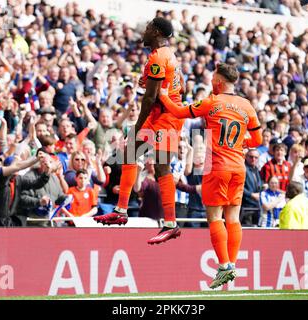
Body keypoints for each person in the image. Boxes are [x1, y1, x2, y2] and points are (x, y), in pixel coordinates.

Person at [159, 62, 262, 288]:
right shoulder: (247, 106)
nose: (212, 82)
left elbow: (178, 112)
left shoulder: (212, 102)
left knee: (215, 217)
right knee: (233, 218)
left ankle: (224, 265)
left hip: (217, 166)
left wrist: (164, 95)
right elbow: (258, 141)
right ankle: (232, 264)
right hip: (238, 167)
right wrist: (241, 142)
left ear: (219, 82)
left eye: (214, 78)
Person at [94, 17, 185, 245]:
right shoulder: (169, 55)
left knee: (159, 166)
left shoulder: (157, 58)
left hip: (163, 117)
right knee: (133, 154)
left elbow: (150, 98)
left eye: (146, 28)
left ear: (155, 31)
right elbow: (180, 84)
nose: (142, 32)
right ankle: (122, 210)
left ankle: (168, 223)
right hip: (167, 114)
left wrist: (137, 125)